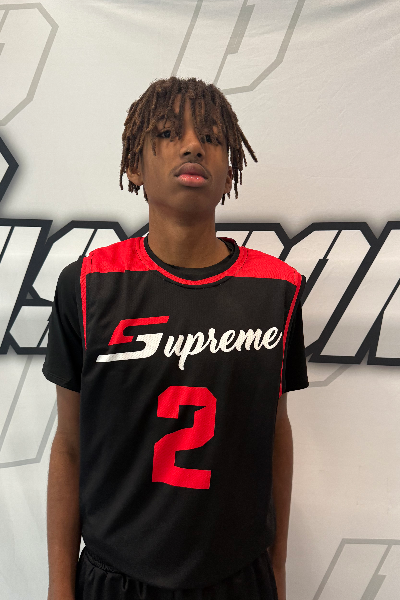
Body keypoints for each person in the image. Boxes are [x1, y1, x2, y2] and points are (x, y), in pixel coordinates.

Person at [44, 76, 309, 600]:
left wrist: (277, 569)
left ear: (230, 168)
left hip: (237, 573)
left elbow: (276, 434)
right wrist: (59, 587)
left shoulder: (276, 289)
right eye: (168, 132)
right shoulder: (88, 285)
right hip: (116, 574)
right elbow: (70, 446)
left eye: (211, 137)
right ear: (134, 165)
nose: (193, 146)